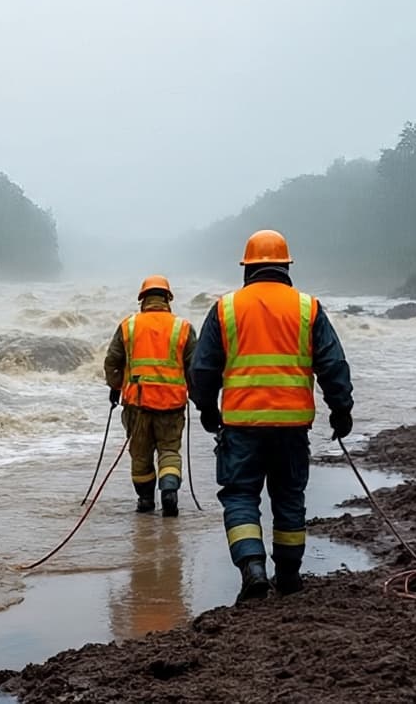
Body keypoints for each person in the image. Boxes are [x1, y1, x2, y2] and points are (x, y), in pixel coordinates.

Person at [189, 230, 354, 602]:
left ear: (247, 268)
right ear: (286, 266)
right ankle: (289, 576)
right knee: (289, 497)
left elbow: (203, 369)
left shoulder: (226, 308)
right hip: (292, 427)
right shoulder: (307, 307)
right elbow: (332, 363)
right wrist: (341, 409)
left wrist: (207, 408)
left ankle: (253, 569)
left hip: (241, 426)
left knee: (240, 496)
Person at [103, 275, 197, 517]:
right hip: (172, 405)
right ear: (168, 299)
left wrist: (116, 387)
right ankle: (169, 491)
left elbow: (112, 361)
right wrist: (197, 394)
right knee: (169, 451)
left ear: (142, 299)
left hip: (137, 405)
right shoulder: (183, 327)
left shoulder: (128, 325)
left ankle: (145, 500)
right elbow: (195, 367)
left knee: (140, 455)